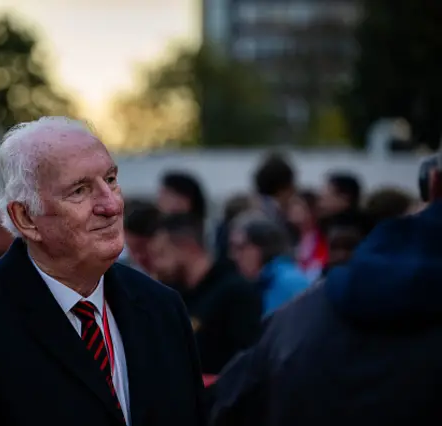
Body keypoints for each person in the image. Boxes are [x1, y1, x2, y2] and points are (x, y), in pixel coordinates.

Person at [0, 117, 207, 426]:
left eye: (111, 179)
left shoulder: (162, 308)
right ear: (25, 217)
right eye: (79, 190)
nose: (111, 205)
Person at [211, 155, 442, 426]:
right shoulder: (295, 316)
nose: (233, 255)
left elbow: (221, 408)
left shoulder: (295, 320)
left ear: (433, 183)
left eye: (241, 247)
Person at [149, 213, 262, 376]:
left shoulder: (236, 293)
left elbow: (245, 363)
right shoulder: (173, 294)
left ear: (186, 247)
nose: (156, 265)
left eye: (161, 254)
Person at [230, 211, 309, 317]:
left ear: (261, 247)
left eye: (240, 248)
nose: (234, 256)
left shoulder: (291, 283)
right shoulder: (256, 285)